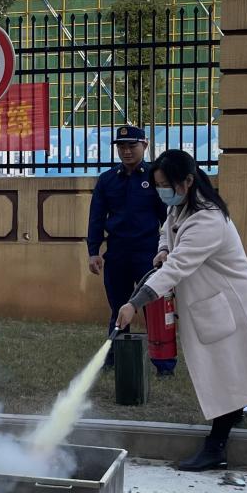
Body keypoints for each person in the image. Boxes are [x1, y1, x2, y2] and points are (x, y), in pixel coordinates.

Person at [114, 150, 247, 471]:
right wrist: (163, 249)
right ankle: (233, 416)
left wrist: (135, 303)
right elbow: (167, 231)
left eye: (166, 185)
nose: (162, 191)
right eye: (158, 185)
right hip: (212, 302)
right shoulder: (181, 207)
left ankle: (216, 448)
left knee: (226, 373)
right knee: (228, 370)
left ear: (187, 181)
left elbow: (177, 267)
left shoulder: (207, 218)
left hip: (231, 303)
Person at [87, 125, 177, 376]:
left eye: (132, 146)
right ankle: (113, 358)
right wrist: (93, 251)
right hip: (117, 253)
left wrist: (168, 248)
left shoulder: (155, 177)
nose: (126, 151)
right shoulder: (107, 180)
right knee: (119, 307)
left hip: (148, 254)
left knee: (154, 308)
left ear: (144, 145)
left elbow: (168, 217)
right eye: (121, 147)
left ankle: (164, 364)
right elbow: (96, 217)